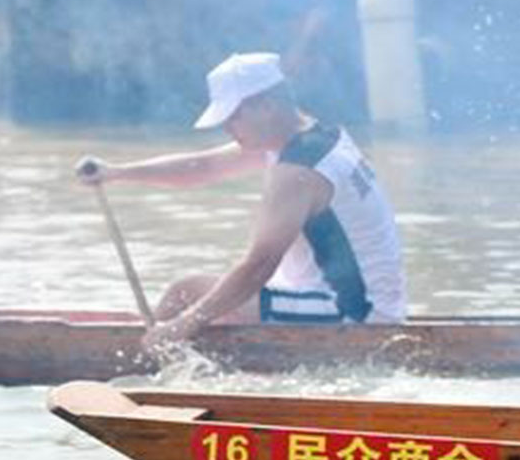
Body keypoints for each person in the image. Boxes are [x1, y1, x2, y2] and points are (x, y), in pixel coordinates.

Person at [75, 52, 406, 350]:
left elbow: (257, 268)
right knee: (193, 294)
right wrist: (116, 172)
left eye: (233, 117)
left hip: (354, 314)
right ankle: (153, 352)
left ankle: (140, 365)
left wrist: (182, 325)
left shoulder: (298, 171)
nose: (228, 129)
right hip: (367, 301)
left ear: (267, 105)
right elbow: (204, 167)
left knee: (186, 297)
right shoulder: (313, 136)